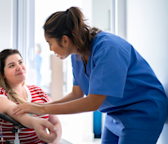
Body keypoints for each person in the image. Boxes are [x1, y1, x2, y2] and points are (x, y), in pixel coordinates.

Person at [12, 7, 168, 144]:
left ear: (65, 40)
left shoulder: (108, 49)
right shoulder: (77, 54)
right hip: (115, 113)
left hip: (142, 112)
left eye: (50, 43)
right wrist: (40, 107)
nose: (51, 49)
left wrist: (42, 108)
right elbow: (76, 93)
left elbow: (93, 102)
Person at [0, 49, 61, 144]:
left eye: (20, 62)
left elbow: (55, 122)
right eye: (12, 65)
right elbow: (11, 109)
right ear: (3, 74)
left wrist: (53, 142)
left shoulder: (38, 91)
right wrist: (34, 122)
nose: (19, 67)